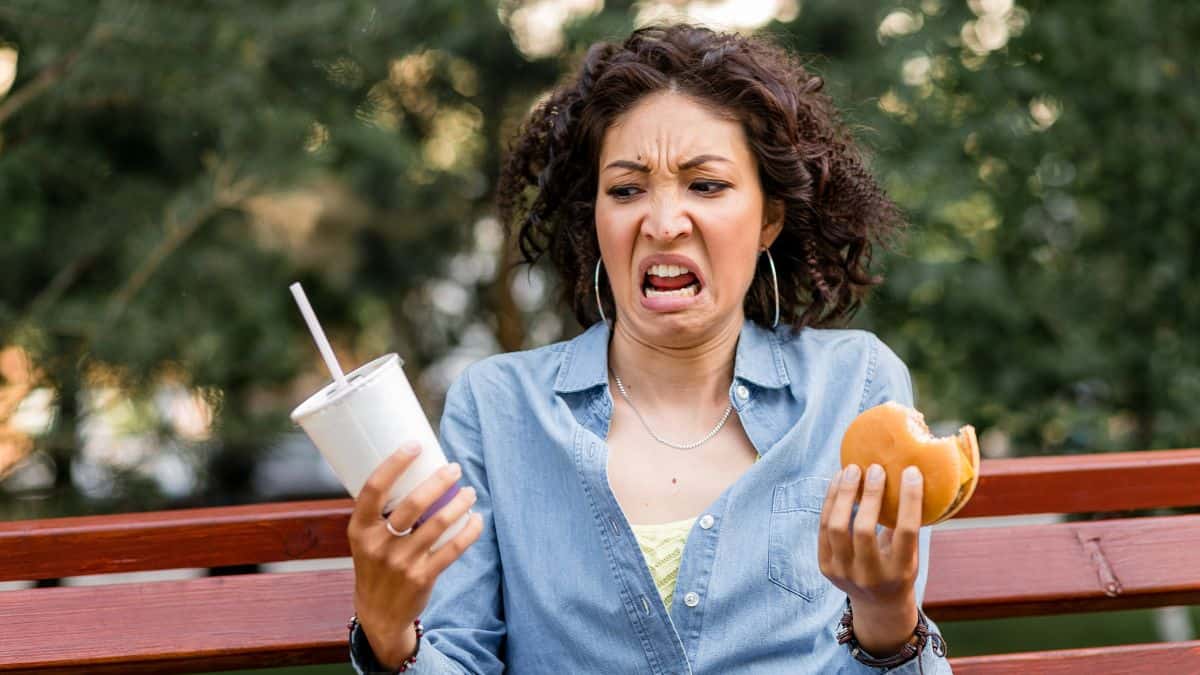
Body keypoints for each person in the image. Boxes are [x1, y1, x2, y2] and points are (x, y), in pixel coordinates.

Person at [347, 23, 952, 674]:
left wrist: (888, 620)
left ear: (770, 217)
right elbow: (459, 656)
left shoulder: (857, 388)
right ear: (596, 219)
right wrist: (390, 637)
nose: (663, 223)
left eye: (706, 185)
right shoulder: (496, 407)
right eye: (627, 189)